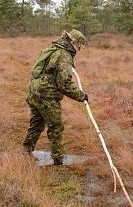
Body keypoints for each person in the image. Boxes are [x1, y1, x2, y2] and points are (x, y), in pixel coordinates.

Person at [23, 29, 89, 165]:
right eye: (78, 47)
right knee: (55, 127)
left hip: (34, 92)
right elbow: (64, 84)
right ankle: (59, 159)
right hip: (46, 96)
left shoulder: (53, 49)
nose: (78, 50)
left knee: (36, 123)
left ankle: (26, 150)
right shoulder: (63, 55)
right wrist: (81, 96)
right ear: (72, 42)